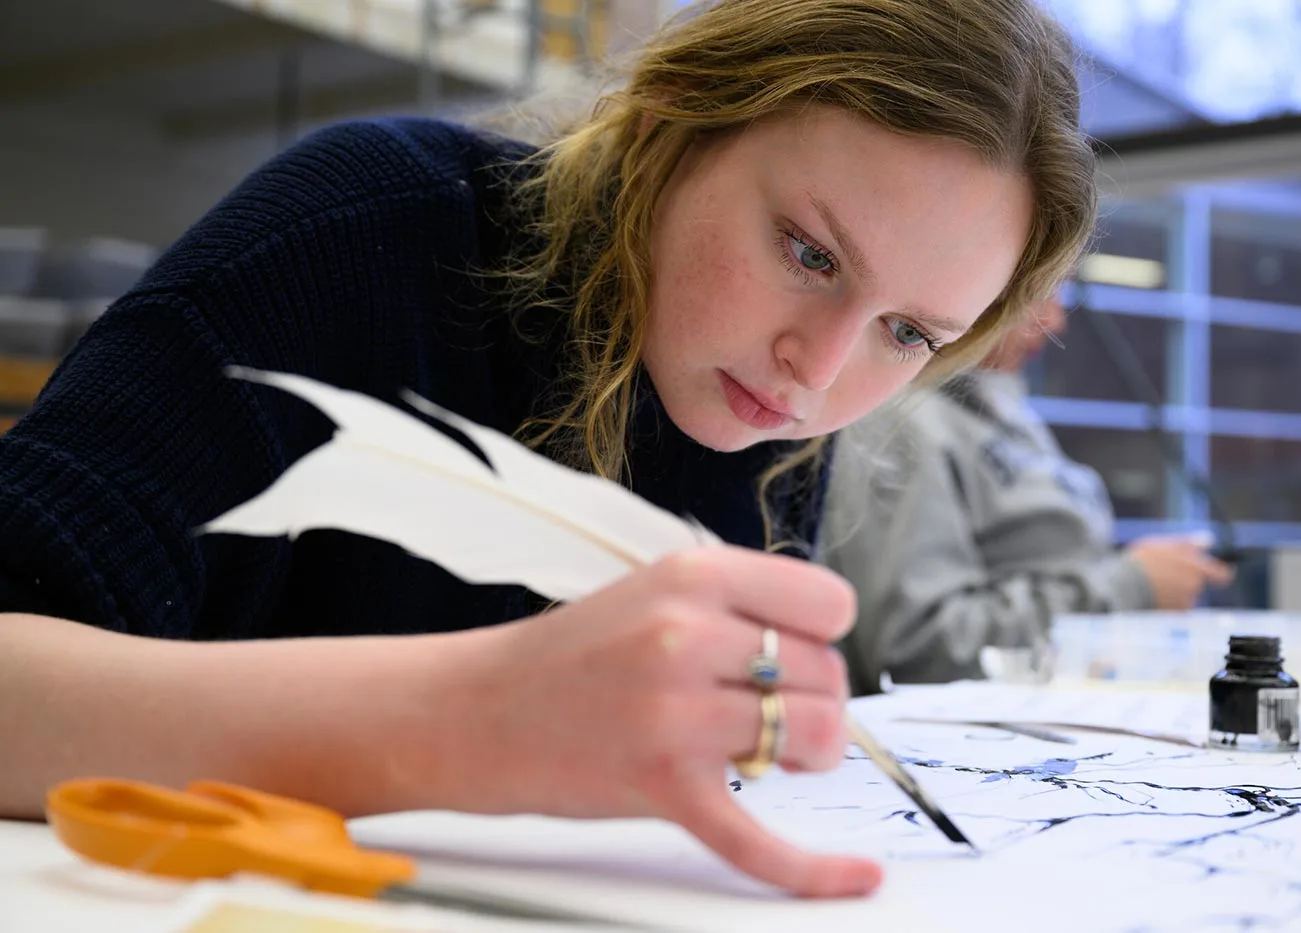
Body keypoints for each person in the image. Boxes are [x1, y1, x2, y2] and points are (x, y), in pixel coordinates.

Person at [0, 0, 1096, 899]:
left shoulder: (767, 422)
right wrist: (459, 719)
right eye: (808, 253)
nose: (817, 370)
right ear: (671, 119)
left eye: (907, 333)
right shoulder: (362, 227)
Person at [821, 291, 1235, 695]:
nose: (1056, 321)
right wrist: (1130, 585)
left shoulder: (992, 405)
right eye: (1043, 293)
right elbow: (916, 651)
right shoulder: (900, 420)